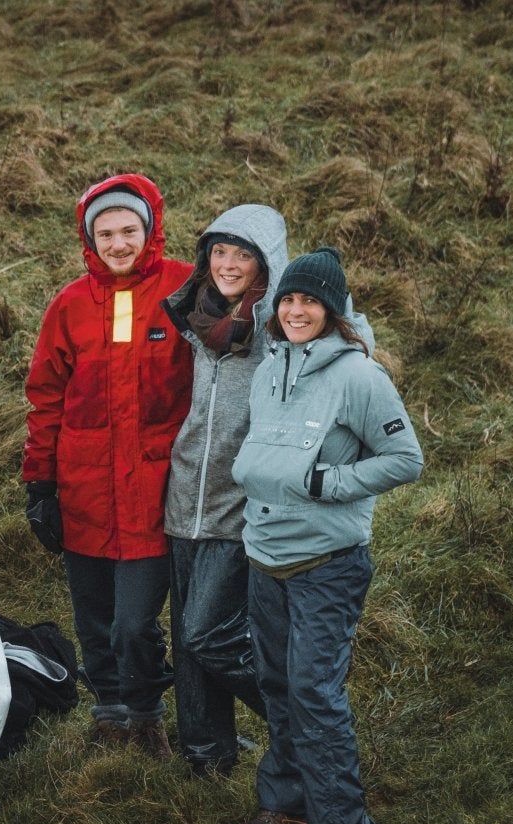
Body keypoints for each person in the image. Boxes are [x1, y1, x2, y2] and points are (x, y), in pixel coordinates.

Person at [230, 245, 423, 824]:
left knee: (314, 693)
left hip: (326, 565)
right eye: (288, 298)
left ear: (332, 310)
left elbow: (406, 460)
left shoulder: (360, 377)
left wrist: (329, 483)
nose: (295, 309)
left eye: (310, 300)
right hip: (265, 558)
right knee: (278, 687)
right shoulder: (267, 369)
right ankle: (283, 804)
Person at [22, 174, 195, 758]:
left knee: (134, 622)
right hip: (85, 490)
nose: (117, 243)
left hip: (157, 489)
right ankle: (109, 713)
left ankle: (146, 714)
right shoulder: (70, 305)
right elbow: (46, 396)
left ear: (149, 231)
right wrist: (39, 482)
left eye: (128, 230)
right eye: (105, 233)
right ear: (88, 238)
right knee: (94, 616)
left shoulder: (183, 290)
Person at [160, 205, 289, 778]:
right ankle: (207, 755)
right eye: (219, 251)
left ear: (267, 262)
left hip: (240, 505)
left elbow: (350, 336)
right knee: (186, 646)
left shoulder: (281, 326)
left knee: (208, 635)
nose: (229, 264)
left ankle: (300, 723)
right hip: (184, 496)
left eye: (243, 254)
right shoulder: (195, 315)